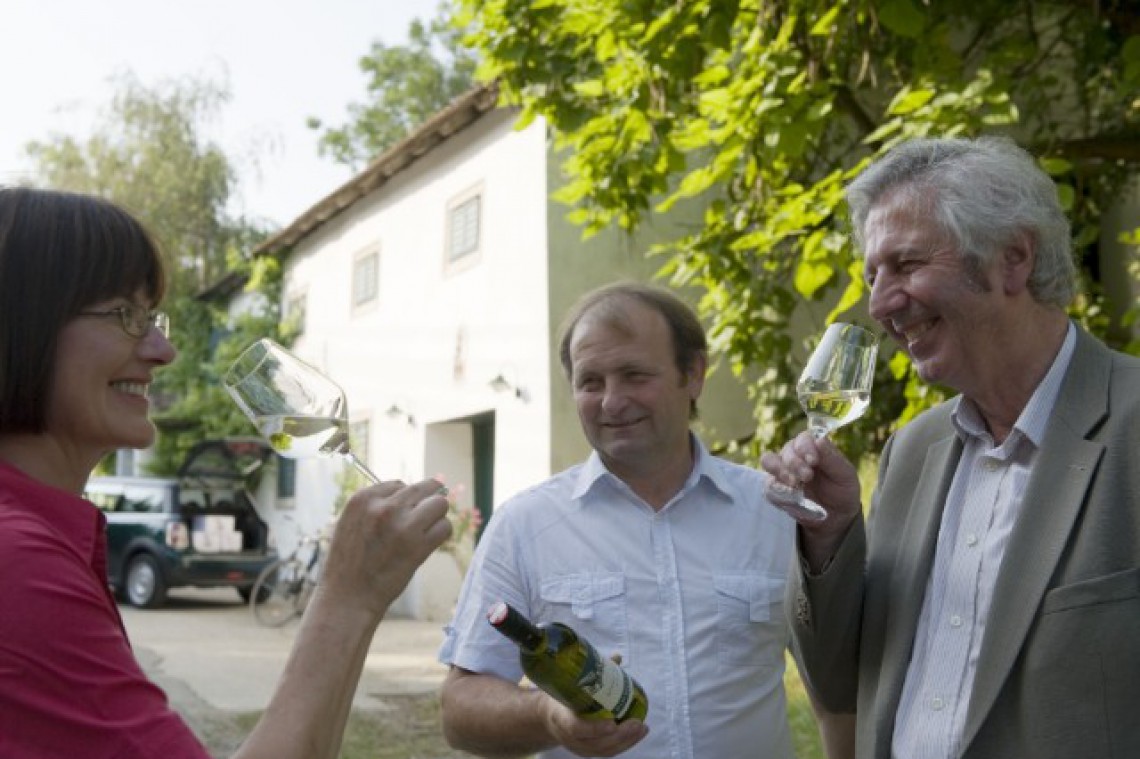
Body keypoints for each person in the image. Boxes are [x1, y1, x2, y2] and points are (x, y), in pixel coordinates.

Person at [0, 187, 452, 759]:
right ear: (21, 324)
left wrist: (357, 600)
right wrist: (348, 597)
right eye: (126, 315)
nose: (164, 351)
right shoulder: (19, 564)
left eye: (153, 318)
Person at [762, 136, 1140, 759]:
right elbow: (838, 682)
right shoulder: (913, 452)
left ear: (1012, 259)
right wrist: (828, 539)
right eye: (872, 276)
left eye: (906, 266)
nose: (880, 305)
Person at [438, 282, 846, 759]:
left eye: (634, 375)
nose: (612, 401)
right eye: (591, 382)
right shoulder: (524, 526)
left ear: (693, 373)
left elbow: (837, 687)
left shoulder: (776, 512)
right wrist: (548, 716)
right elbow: (460, 710)